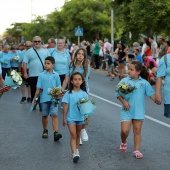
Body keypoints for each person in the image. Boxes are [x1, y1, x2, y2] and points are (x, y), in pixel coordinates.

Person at [116, 60, 156, 159]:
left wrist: (157, 100)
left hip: (139, 110)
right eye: (128, 69)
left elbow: (152, 94)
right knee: (125, 131)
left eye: (131, 70)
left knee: (137, 131)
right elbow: (118, 94)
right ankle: (124, 141)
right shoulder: (124, 81)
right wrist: (124, 102)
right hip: (127, 110)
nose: (128, 71)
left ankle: (137, 150)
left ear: (138, 72)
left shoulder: (144, 83)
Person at [62, 48, 90, 144]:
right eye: (79, 53)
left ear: (84, 56)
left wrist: (86, 93)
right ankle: (78, 135)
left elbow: (85, 81)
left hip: (83, 90)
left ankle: (82, 129)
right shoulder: (70, 65)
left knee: (84, 112)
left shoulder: (86, 67)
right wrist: (62, 90)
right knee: (73, 111)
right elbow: (66, 79)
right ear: (75, 55)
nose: (80, 55)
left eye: (82, 54)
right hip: (72, 90)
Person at [33, 56, 62, 141]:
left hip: (54, 99)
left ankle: (56, 132)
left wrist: (59, 94)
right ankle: (45, 130)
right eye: (45, 63)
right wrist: (35, 100)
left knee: (54, 115)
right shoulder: (41, 75)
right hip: (44, 99)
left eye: (48, 63)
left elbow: (59, 87)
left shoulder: (56, 75)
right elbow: (38, 89)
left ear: (53, 65)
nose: (46, 65)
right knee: (45, 115)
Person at [62, 72, 88, 163]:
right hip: (71, 118)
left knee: (78, 135)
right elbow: (65, 106)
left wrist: (87, 115)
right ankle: (74, 153)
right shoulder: (68, 94)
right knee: (73, 135)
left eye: (79, 79)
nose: (77, 81)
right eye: (75, 79)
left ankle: (76, 150)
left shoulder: (84, 94)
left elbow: (86, 106)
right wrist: (64, 118)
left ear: (82, 81)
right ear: (72, 81)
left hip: (80, 118)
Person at [23, 36, 50, 110]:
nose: (37, 42)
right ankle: (34, 104)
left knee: (43, 90)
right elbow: (25, 62)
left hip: (44, 74)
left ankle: (42, 105)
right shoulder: (29, 51)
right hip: (33, 74)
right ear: (33, 42)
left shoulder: (46, 51)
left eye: (38, 41)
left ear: (41, 42)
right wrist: (25, 72)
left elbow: (50, 61)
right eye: (35, 41)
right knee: (34, 90)